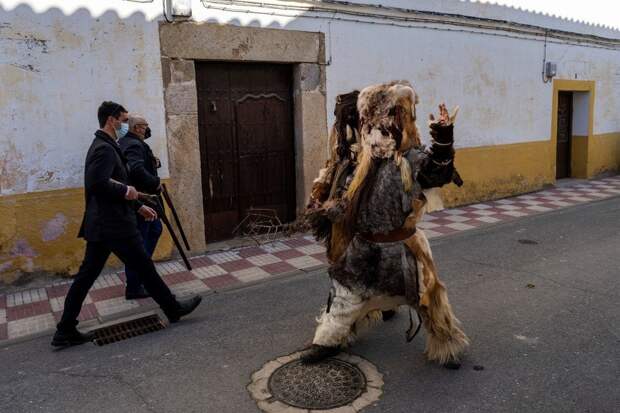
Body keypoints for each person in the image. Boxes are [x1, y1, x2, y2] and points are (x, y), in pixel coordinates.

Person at [300, 82, 469, 367]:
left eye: (383, 131)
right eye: (370, 131)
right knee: (345, 294)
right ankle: (329, 340)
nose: (375, 139)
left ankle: (446, 343)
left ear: (398, 129)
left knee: (427, 299)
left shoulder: (413, 160)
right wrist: (326, 211)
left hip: (404, 249)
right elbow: (349, 203)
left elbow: (438, 173)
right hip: (363, 249)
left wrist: (442, 141)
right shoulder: (362, 166)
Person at [51, 101, 201, 347]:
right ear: (111, 120)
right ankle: (172, 308)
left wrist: (138, 206)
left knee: (88, 276)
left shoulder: (108, 145)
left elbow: (110, 187)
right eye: (123, 120)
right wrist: (127, 191)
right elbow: (97, 184)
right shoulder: (103, 148)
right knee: (143, 267)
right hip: (114, 225)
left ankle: (65, 328)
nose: (125, 125)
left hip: (107, 224)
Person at [119, 114, 162, 300]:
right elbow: (136, 170)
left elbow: (139, 164)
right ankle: (135, 285)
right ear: (138, 128)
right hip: (142, 198)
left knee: (154, 230)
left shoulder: (129, 143)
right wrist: (155, 182)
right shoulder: (134, 144)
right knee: (141, 241)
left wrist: (153, 163)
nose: (147, 129)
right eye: (145, 126)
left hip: (141, 198)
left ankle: (141, 276)